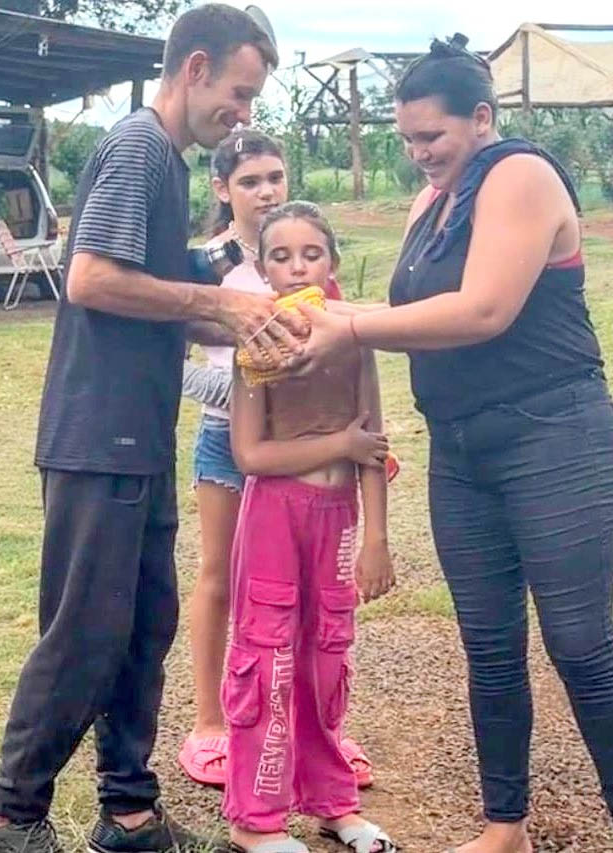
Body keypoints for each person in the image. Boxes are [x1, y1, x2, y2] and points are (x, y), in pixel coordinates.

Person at [0, 8, 305, 853]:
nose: (243, 113)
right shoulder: (138, 148)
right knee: (87, 631)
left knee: (144, 625)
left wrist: (232, 301)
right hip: (99, 434)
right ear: (194, 69)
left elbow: (150, 295)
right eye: (238, 93)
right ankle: (9, 813)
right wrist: (217, 301)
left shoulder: (169, 160)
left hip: (139, 434)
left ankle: (127, 811)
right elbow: (90, 279)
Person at [293, 35, 613, 853]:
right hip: (462, 452)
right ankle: (506, 827)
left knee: (584, 645)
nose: (418, 153)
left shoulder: (519, 175)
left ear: (481, 117)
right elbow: (410, 315)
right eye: (406, 138)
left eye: (431, 135)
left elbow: (483, 310)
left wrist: (348, 327)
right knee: (490, 644)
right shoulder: (428, 204)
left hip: (553, 437)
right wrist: (311, 317)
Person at [177, 131, 373, 790]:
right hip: (229, 438)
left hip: (308, 449)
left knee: (309, 595)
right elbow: (176, 359)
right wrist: (242, 388)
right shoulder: (210, 269)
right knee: (222, 575)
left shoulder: (305, 261)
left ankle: (317, 733)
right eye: (250, 181)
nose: (265, 192)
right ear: (221, 188)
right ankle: (211, 723)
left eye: (275, 177)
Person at [223, 201, 397, 853]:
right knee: (267, 658)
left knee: (327, 657)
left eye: (311, 253)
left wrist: (376, 537)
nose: (297, 267)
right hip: (275, 514)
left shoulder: (355, 341)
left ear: (333, 262)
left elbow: (373, 444)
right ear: (262, 269)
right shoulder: (257, 348)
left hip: (337, 516)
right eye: (281, 256)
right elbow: (250, 455)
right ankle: (255, 819)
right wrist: (339, 445)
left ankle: (331, 801)